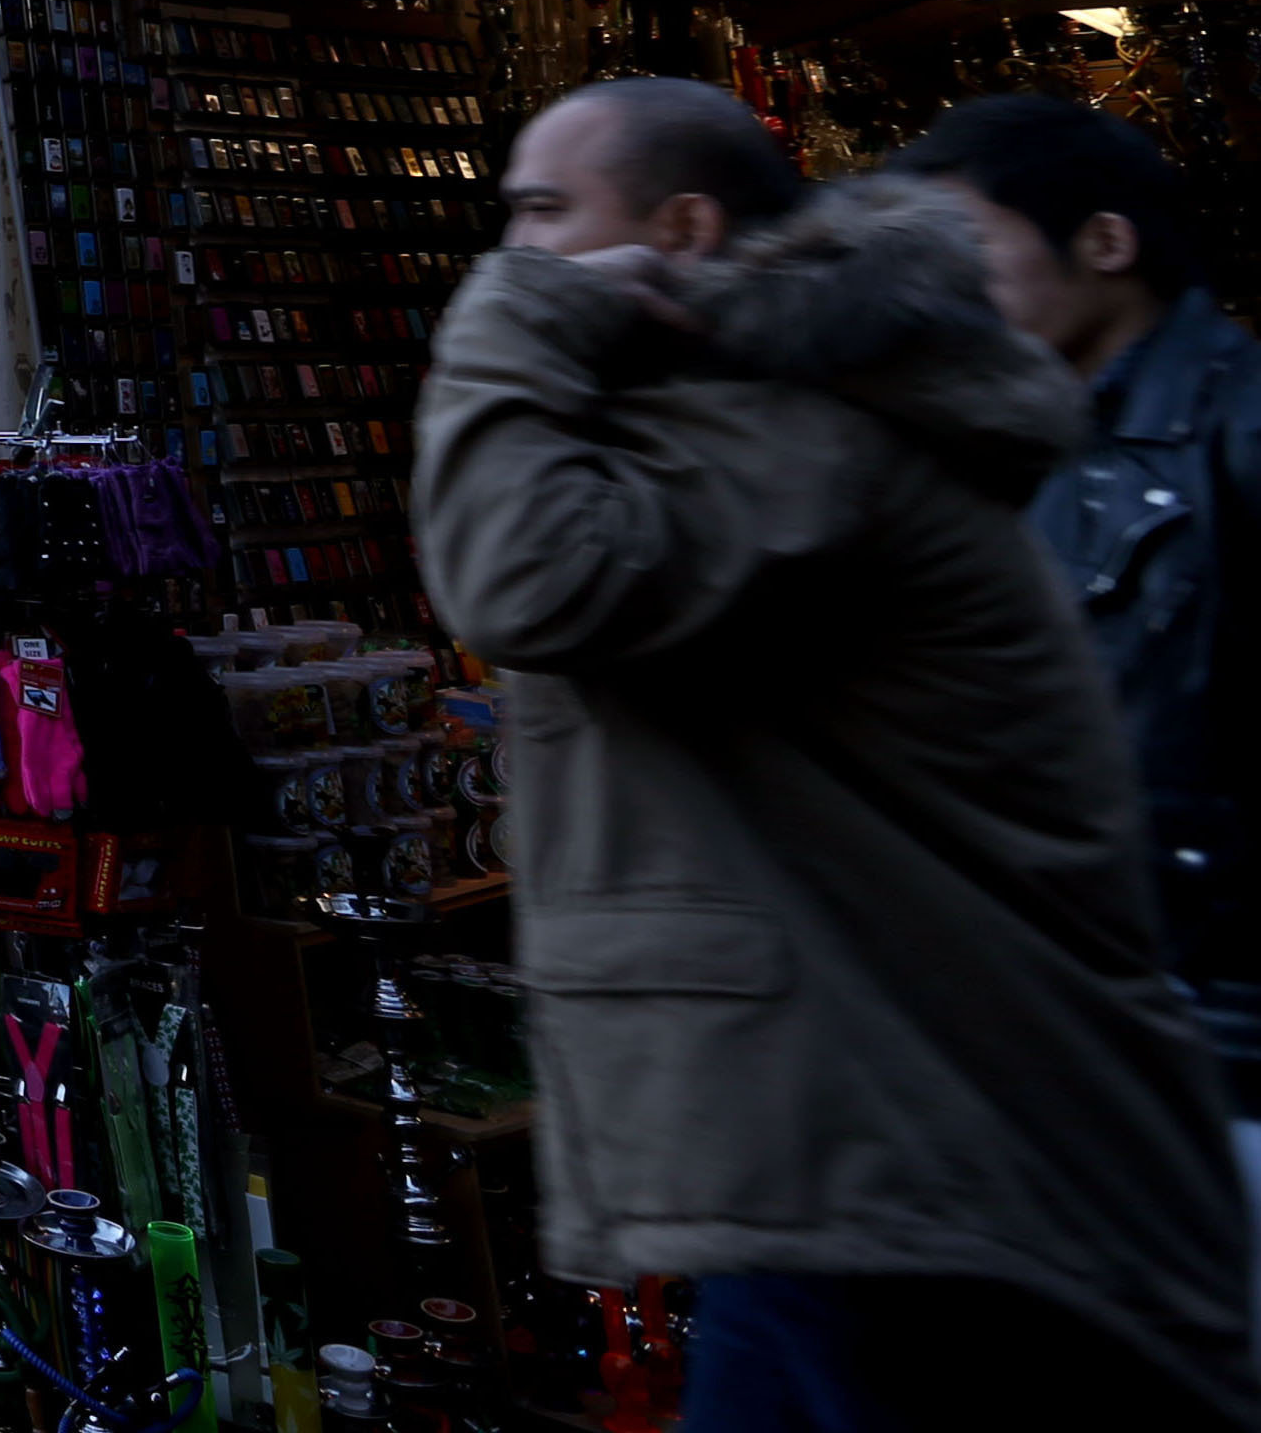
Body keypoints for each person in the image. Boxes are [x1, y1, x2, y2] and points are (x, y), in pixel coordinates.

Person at [417, 75, 1257, 1426]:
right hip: (873, 1135)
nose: (515, 251)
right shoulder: (756, 415)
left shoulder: (794, 425)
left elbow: (523, 578)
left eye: (544, 213)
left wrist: (515, 323)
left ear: (679, 230)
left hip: (904, 1149)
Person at [903, 93, 1261, 1114]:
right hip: (1078, 1031)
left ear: (1104, 241)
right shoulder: (1022, 447)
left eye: (968, 245)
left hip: (1217, 1044)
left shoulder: (1236, 429)